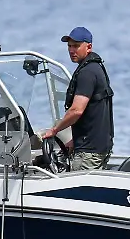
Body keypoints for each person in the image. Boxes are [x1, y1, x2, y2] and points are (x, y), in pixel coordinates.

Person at [40, 26, 115, 171]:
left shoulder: (87, 73)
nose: (71, 50)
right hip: (98, 146)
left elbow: (76, 110)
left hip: (89, 153)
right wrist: (74, 141)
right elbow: (93, 112)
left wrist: (54, 130)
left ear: (89, 47)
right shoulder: (96, 68)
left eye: (76, 46)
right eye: (69, 46)